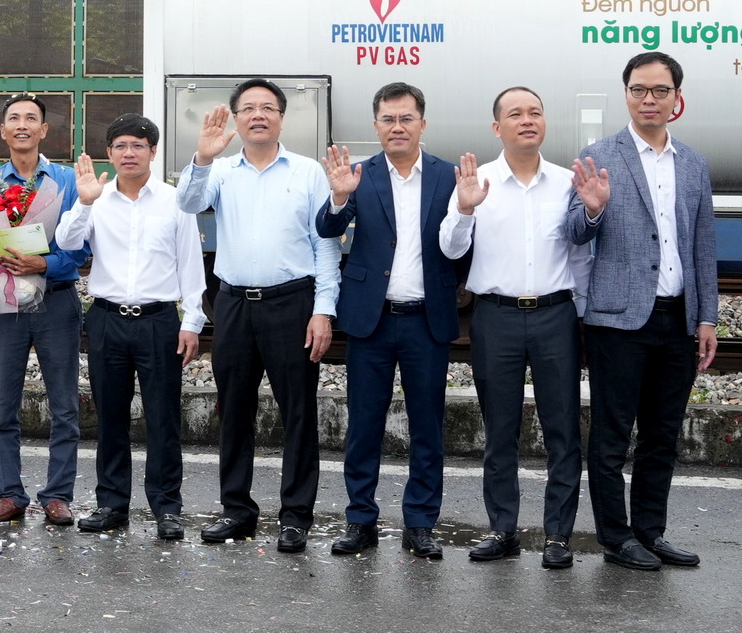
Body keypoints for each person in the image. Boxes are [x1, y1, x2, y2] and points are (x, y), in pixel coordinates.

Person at [569, 51, 717, 572]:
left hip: (677, 318)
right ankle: (616, 536)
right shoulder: (599, 155)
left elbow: (703, 246)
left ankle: (650, 532)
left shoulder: (693, 163)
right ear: (626, 94)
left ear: (677, 98)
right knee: (611, 435)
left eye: (659, 90)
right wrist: (593, 209)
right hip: (618, 320)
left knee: (662, 435)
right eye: (638, 89)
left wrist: (707, 317)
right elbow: (573, 232)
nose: (648, 99)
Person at [177, 78, 336, 553]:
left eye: (268, 107)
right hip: (233, 305)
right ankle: (237, 510)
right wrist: (202, 158)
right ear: (237, 119)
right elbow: (188, 203)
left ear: (282, 118)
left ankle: (295, 516)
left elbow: (325, 245)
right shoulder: (221, 170)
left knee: (298, 413)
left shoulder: (308, 172)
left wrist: (323, 310)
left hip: (292, 304)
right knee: (234, 411)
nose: (258, 115)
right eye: (248, 108)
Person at [440, 87, 585, 569]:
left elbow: (582, 256)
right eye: (516, 114)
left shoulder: (567, 182)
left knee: (563, 429)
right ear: (496, 127)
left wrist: (583, 314)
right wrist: (465, 209)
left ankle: (558, 535)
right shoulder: (475, 181)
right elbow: (451, 250)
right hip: (496, 317)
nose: (527, 120)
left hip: (555, 316)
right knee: (499, 430)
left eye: (535, 112)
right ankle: (502, 529)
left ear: (545, 122)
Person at [315, 82, 459, 559]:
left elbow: (462, 245)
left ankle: (421, 524)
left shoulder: (448, 175)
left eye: (406, 118)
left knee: (427, 428)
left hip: (426, 320)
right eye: (388, 119)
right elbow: (327, 229)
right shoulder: (360, 174)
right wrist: (339, 199)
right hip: (371, 320)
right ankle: (360, 520)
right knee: (364, 426)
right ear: (375, 125)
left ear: (422, 123)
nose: (397, 127)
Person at [55, 112, 203, 541]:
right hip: (106, 320)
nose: (129, 153)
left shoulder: (175, 200)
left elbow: (190, 263)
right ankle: (112, 504)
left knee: (163, 417)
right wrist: (84, 202)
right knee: (110, 417)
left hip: (159, 321)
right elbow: (66, 242)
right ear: (109, 153)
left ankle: (167, 507)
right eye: (120, 146)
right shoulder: (96, 199)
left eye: (138, 145)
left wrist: (192, 320)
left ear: (153, 152)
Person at [0, 93, 86, 527]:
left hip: (57, 299)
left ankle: (58, 495)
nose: (22, 125)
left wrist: (44, 263)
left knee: (64, 405)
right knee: (3, 403)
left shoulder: (66, 181)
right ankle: (9, 493)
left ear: (44, 130)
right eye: (13, 119)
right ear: (3, 131)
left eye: (31, 118)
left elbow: (81, 248)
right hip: (6, 297)